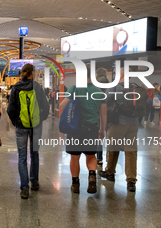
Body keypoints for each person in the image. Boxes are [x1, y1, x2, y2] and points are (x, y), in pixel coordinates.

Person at [59, 64, 107, 194]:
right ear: (94, 76)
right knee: (91, 155)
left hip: (75, 129)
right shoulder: (99, 92)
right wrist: (102, 130)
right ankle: (92, 175)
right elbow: (103, 114)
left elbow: (63, 106)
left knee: (75, 157)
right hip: (92, 128)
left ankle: (75, 184)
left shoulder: (74, 89)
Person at [7, 64, 49, 199]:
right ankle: (34, 181)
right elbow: (45, 106)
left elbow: (10, 109)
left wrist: (16, 122)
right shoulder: (37, 87)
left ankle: (24, 188)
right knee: (35, 153)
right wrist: (39, 119)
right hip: (36, 126)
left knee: (22, 156)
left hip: (21, 126)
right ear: (32, 73)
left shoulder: (16, 88)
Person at [99, 67, 139, 192]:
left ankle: (110, 173)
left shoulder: (115, 86)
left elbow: (104, 99)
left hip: (118, 123)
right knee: (131, 151)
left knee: (112, 147)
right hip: (133, 124)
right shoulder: (136, 87)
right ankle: (131, 181)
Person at [95, 67, 109, 166]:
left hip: (97, 113)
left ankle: (99, 158)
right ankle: (109, 157)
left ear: (96, 75)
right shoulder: (111, 85)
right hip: (110, 113)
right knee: (109, 136)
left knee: (99, 136)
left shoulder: (95, 85)